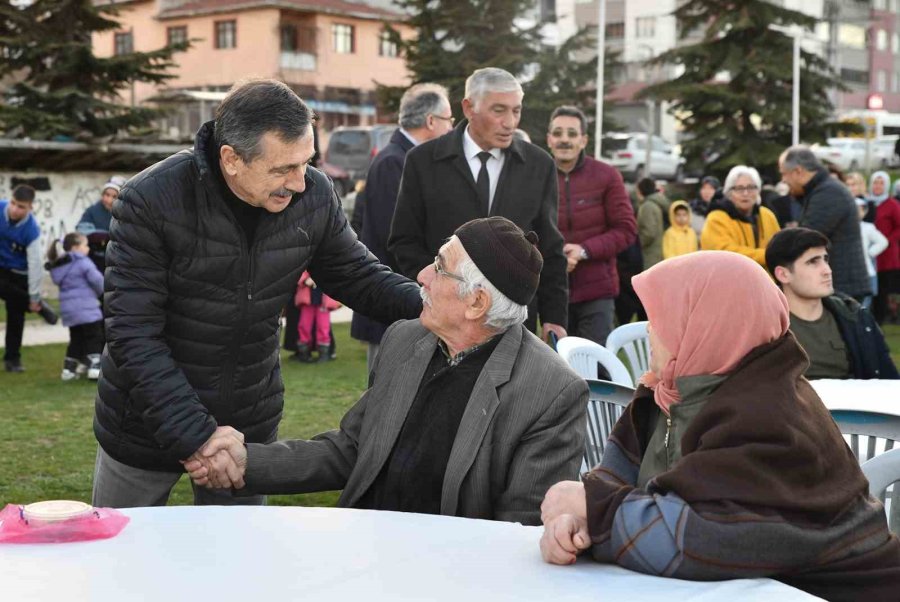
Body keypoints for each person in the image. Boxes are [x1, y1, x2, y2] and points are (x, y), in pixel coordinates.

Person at [91, 79, 423, 508]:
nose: (300, 182)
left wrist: (433, 305)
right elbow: (134, 335)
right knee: (122, 562)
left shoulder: (315, 194)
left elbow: (356, 275)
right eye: (283, 169)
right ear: (231, 159)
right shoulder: (149, 201)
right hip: (141, 425)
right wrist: (197, 434)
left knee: (234, 565)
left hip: (246, 423)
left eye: (306, 162)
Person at [538, 251, 900, 601]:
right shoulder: (666, 394)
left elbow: (703, 540)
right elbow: (611, 480)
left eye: (662, 316)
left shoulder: (768, 414)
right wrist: (575, 522)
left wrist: (594, 510)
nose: (649, 328)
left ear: (709, 325)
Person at [185, 217, 588, 526]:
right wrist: (245, 462)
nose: (421, 277)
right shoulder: (406, 339)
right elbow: (351, 450)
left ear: (477, 303)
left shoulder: (550, 391)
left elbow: (519, 529)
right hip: (365, 546)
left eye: (439, 267)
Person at [389, 67, 568, 342]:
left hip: (512, 325)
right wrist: (441, 292)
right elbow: (404, 241)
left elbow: (550, 248)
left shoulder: (539, 165)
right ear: (469, 107)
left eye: (516, 111)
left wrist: (554, 317)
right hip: (442, 322)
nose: (510, 122)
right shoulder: (422, 161)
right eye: (499, 110)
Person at [351, 83, 454, 373]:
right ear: (431, 121)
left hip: (405, 299)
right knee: (385, 397)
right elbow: (394, 237)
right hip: (391, 301)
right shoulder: (394, 162)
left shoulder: (406, 159)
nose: (452, 129)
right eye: (449, 120)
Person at [546, 105, 635, 345]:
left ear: (584, 140)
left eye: (572, 134)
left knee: (596, 372)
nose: (565, 140)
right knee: (557, 372)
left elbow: (626, 230)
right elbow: (526, 229)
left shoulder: (607, 175)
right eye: (558, 133)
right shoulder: (536, 176)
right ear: (549, 139)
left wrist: (583, 251)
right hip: (552, 293)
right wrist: (556, 255)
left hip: (597, 292)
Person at [765, 227, 898, 380]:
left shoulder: (856, 317)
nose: (827, 270)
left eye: (825, 259)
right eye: (813, 262)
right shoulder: (766, 328)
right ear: (783, 274)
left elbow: (890, 381)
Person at [779, 146, 871, 300]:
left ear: (798, 171)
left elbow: (806, 237)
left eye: (784, 174)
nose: (783, 180)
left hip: (841, 287)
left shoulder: (828, 193)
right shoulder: (823, 189)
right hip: (837, 283)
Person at [0, 184, 57, 373]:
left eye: (21, 206)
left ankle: (12, 360)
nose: (15, 209)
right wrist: (32, 301)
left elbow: (35, 265)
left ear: (30, 207)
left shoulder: (31, 230)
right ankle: (37, 306)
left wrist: (33, 294)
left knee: (16, 315)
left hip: (19, 272)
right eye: (13, 203)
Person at [46, 232, 105, 380]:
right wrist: (104, 292)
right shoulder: (83, 262)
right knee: (94, 337)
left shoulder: (60, 266)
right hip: (87, 309)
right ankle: (95, 366)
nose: (88, 249)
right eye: (85, 245)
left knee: (76, 339)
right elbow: (97, 281)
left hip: (70, 311)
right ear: (75, 247)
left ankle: (68, 370)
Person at [700, 165, 780, 267]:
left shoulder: (767, 215)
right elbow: (726, 255)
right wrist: (768, 256)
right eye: (739, 188)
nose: (745, 193)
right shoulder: (716, 219)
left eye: (751, 187)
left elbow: (779, 247)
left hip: (765, 281)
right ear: (729, 193)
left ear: (758, 191)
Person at [293, 271, 340, 363]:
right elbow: (299, 272)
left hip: (323, 301)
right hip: (307, 300)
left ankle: (324, 354)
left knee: (323, 327)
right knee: (304, 326)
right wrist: (305, 279)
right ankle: (304, 354)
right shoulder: (306, 259)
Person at [855, 198, 889, 310]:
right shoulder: (844, 227)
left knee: (865, 305)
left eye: (859, 209)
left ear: (864, 212)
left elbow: (883, 241)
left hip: (867, 272)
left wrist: (871, 252)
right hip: (851, 274)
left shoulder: (868, 227)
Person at [874, 180, 900, 324]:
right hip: (871, 252)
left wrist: (887, 240)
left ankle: (882, 319)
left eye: (881, 184)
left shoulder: (892, 204)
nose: (877, 187)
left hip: (887, 253)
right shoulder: (869, 203)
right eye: (875, 183)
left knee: (883, 287)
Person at [635, 177, 668, 271]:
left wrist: (636, 245)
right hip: (657, 252)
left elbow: (649, 232)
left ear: (641, 190)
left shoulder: (647, 206)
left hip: (650, 254)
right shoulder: (656, 202)